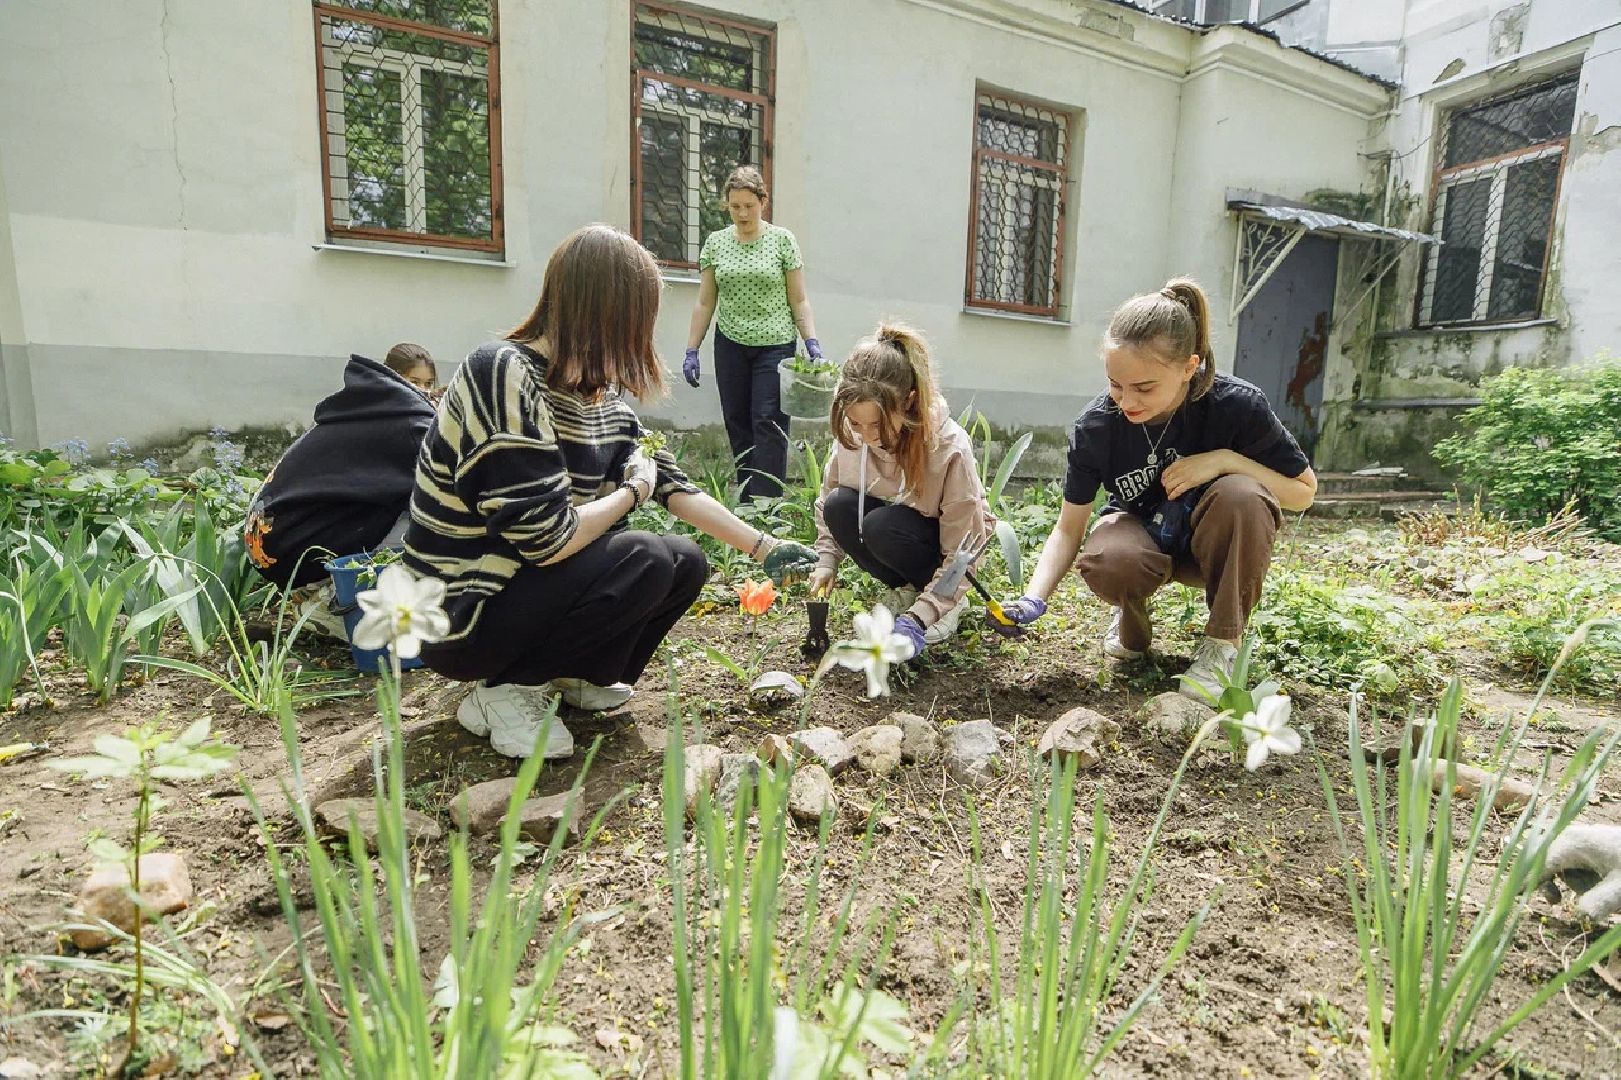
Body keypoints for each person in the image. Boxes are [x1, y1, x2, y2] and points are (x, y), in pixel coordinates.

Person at [405, 224, 818, 761]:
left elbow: (673, 486)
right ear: (604, 310)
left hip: (521, 593)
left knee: (684, 561)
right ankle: (505, 692)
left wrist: (765, 548)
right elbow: (545, 541)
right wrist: (632, 491)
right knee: (643, 555)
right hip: (458, 610)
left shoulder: (603, 405)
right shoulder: (502, 372)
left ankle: (565, 674)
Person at [995, 278, 1316, 699]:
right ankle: (1131, 624)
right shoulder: (1097, 427)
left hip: (1215, 544)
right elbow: (1068, 528)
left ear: (1189, 367)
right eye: (1115, 384)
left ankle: (1222, 644)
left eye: (1144, 388)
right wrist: (1033, 599)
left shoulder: (1236, 406)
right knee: (1110, 556)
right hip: (1144, 543)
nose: (1126, 401)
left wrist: (1225, 460)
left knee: (1242, 494)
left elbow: (1302, 492)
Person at [806, 323, 996, 655]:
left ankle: (947, 603)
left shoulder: (948, 447)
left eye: (877, 424)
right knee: (840, 506)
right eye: (856, 423)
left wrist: (924, 617)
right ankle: (910, 589)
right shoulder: (853, 439)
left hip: (947, 551)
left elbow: (963, 548)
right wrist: (826, 560)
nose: (867, 435)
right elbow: (828, 499)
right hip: (901, 534)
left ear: (908, 402)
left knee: (881, 527)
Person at [244, 344, 439, 590]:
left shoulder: (365, 411)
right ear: (394, 376)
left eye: (429, 383)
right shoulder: (409, 424)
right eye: (414, 381)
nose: (423, 391)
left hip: (267, 542)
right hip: (290, 555)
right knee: (430, 517)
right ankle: (336, 596)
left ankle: (318, 589)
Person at [682, 165, 821, 500]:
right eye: (735, 206)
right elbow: (704, 302)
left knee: (767, 420)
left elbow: (798, 298)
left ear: (763, 202)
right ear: (727, 206)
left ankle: (768, 506)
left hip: (774, 345)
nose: (742, 213)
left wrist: (811, 341)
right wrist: (692, 350)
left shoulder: (782, 241)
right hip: (730, 344)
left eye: (749, 205)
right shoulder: (716, 243)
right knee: (737, 420)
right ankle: (746, 503)